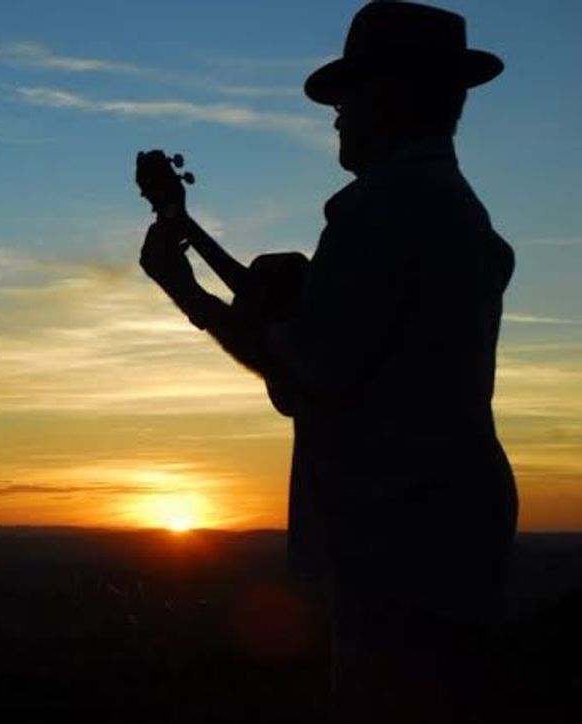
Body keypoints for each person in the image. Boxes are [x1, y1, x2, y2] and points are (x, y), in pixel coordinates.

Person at [138, 4, 516, 722]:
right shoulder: (443, 207)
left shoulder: (382, 212)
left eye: (346, 100)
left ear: (389, 97)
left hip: (400, 552)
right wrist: (185, 228)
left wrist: (183, 290)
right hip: (445, 540)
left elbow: (305, 366)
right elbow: (299, 322)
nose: (336, 119)